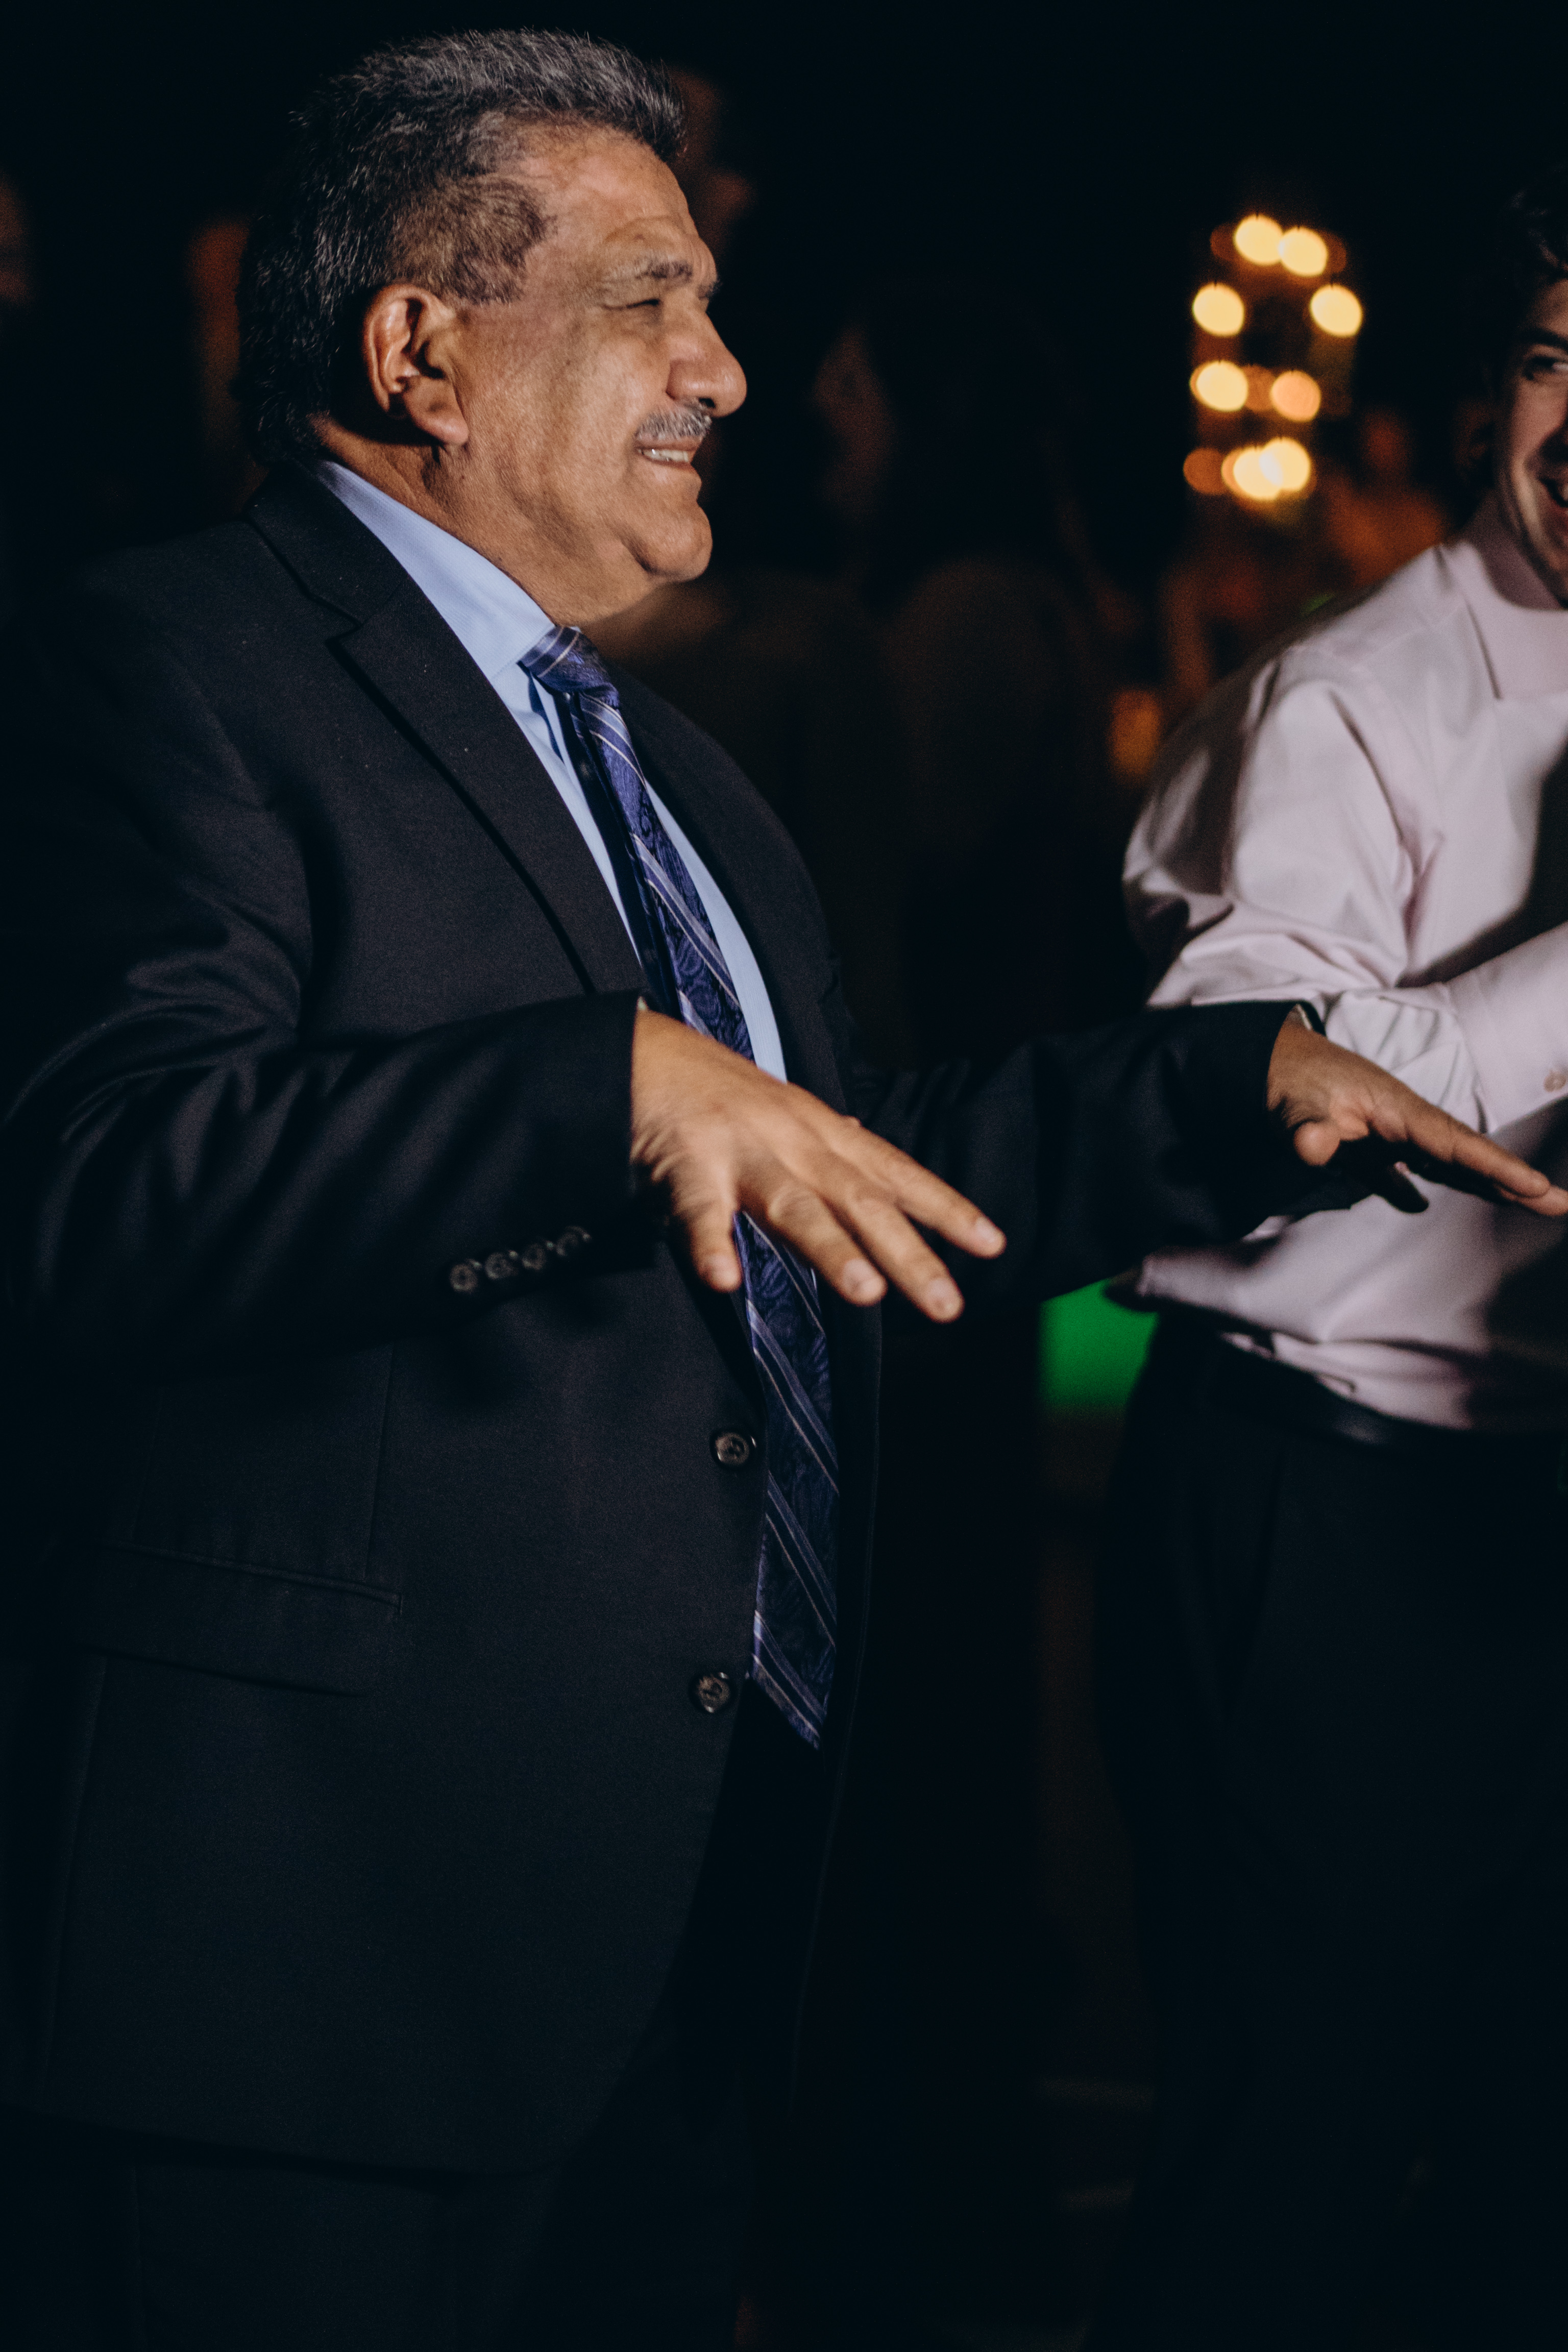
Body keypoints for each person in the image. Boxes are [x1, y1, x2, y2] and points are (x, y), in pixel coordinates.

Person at [0, 34, 1554, 2350]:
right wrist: (596, 1092)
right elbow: (96, 1194)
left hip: (664, 1914)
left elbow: (832, 1166)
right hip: (310, 1968)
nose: (725, 371)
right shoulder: (168, 661)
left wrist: (1230, 1088)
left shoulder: (677, 775)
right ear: (421, 351)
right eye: (655, 301)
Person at [1099, 161, 1568, 2350]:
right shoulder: (1350, 701)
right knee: (1282, 2170)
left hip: (1537, 1522)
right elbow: (1245, 1096)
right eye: (1560, 360)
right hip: (1336, 1510)